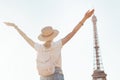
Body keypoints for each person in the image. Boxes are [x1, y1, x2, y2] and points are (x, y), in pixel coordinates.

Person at [4, 9, 94, 80]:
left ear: (43, 37)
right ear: (53, 35)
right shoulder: (58, 44)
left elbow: (26, 37)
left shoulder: (38, 47)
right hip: (57, 74)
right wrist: (84, 18)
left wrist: (15, 26)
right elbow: (73, 32)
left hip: (43, 76)